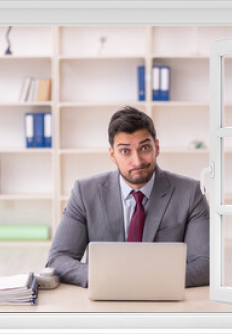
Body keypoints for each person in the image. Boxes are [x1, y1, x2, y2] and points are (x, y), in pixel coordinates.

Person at [46, 106, 210, 288]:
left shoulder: (190, 192)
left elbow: (205, 264)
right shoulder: (84, 192)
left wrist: (143, 282)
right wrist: (103, 278)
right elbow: (58, 259)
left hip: (162, 299)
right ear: (112, 155)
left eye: (145, 148)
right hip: (105, 296)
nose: (137, 161)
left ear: (156, 147)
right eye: (125, 151)